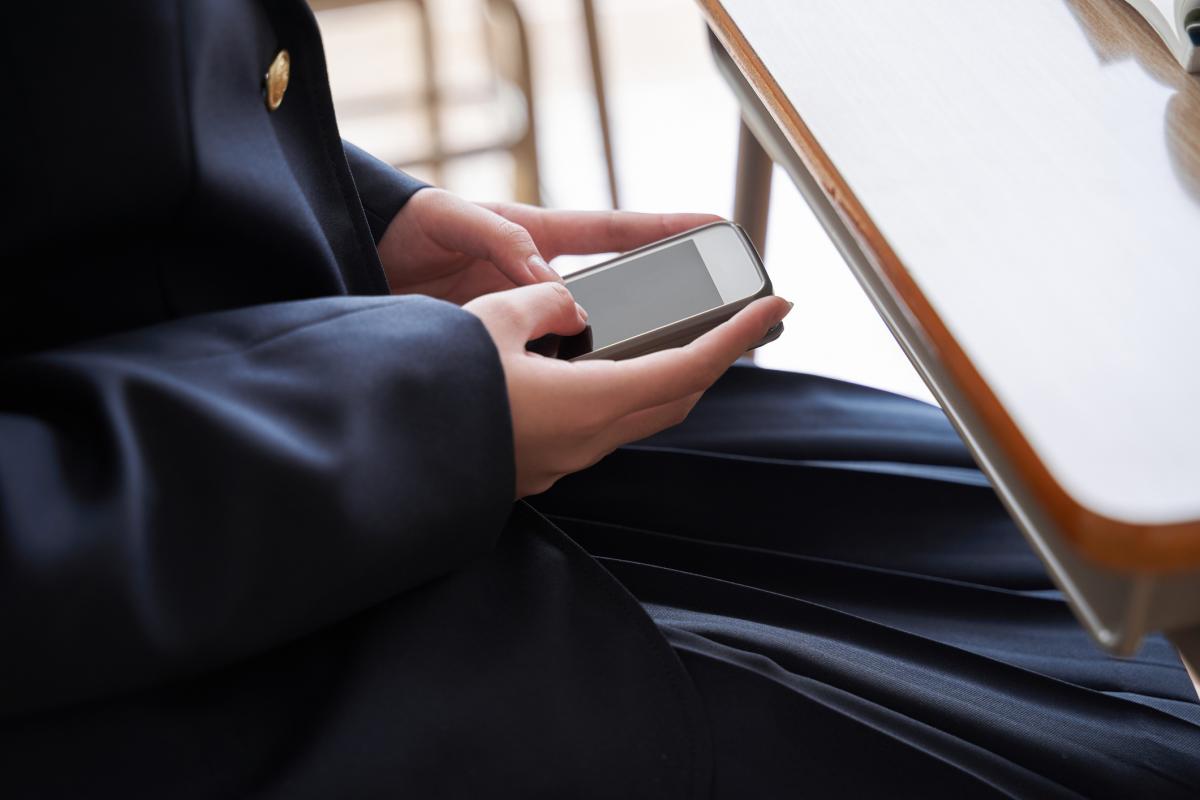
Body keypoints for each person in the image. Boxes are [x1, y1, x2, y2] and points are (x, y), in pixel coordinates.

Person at [1, 2, 1196, 797]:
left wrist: (356, 217)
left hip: (317, 385)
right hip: (162, 625)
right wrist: (429, 414)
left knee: (1030, 544)